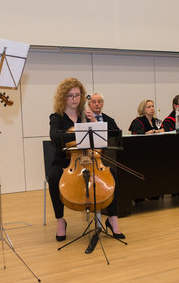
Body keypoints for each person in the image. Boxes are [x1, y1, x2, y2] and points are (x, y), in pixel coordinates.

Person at [47, 78, 126, 253]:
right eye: (70, 96)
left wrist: (95, 123)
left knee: (111, 172)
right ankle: (61, 221)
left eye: (77, 95)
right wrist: (78, 132)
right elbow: (54, 137)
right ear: (63, 98)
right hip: (65, 161)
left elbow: (106, 137)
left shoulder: (87, 115)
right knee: (53, 177)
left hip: (90, 159)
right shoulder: (57, 118)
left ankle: (112, 218)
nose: (75, 99)